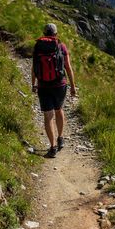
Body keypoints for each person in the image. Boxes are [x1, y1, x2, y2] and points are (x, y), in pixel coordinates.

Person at [32, 23, 77, 158]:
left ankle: (52, 147)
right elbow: (68, 67)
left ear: (44, 33)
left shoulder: (38, 46)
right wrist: (73, 86)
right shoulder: (61, 46)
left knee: (47, 116)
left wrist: (33, 84)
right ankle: (61, 138)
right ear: (56, 33)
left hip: (43, 85)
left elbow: (34, 67)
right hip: (59, 85)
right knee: (59, 110)